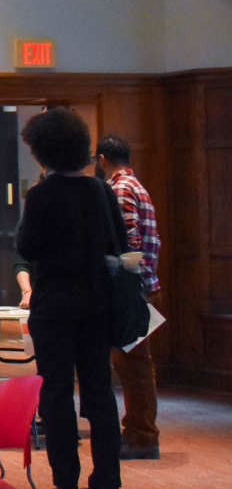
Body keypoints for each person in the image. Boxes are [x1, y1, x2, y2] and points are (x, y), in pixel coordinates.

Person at [14, 106, 124, 489]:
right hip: (98, 305)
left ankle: (66, 486)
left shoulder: (42, 194)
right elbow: (120, 246)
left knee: (57, 394)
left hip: (55, 306)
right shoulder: (102, 190)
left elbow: (26, 247)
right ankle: (109, 486)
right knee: (100, 394)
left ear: (44, 151)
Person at [95, 133, 162, 461]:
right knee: (137, 364)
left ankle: (141, 436)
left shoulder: (120, 188)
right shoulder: (137, 186)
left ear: (103, 159)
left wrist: (117, 281)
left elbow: (128, 241)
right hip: (141, 286)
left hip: (130, 290)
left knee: (133, 365)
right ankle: (140, 432)